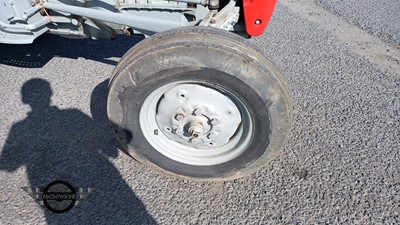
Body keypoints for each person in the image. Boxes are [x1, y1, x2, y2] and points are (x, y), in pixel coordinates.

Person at [0, 78, 156, 224]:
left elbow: (8, 165)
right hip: (100, 174)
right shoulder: (73, 113)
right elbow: (110, 151)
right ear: (50, 94)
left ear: (24, 99)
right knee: (126, 210)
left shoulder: (19, 128)